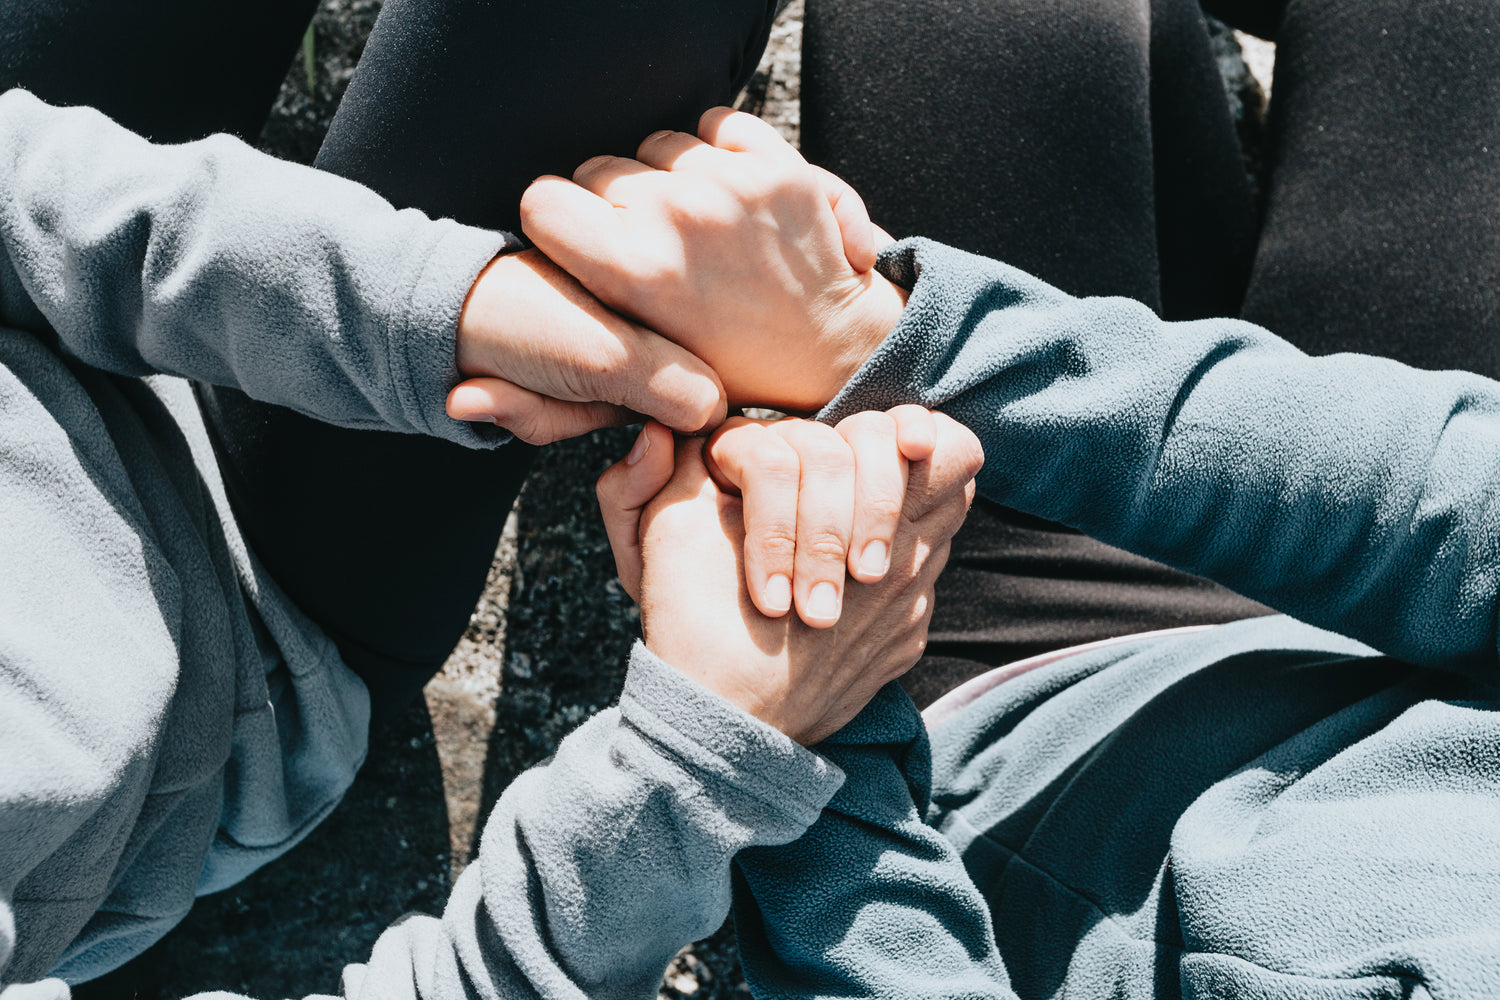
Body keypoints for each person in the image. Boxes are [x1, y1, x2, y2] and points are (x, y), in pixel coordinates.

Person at [497, 17, 1500, 987]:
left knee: (970, 29)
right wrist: (886, 343)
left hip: (1012, 684)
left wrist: (806, 722)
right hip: (1386, 630)